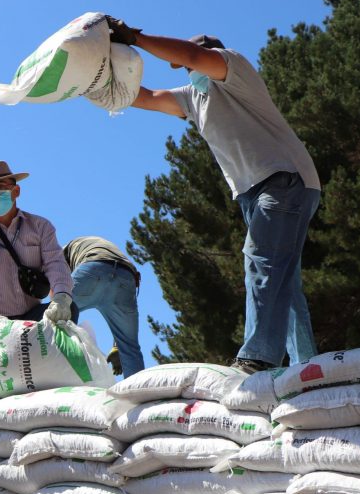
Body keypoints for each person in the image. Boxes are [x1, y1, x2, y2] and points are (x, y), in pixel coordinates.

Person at [94, 19, 322, 373]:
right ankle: (307, 366)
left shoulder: (235, 69)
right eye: (186, 68)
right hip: (253, 191)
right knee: (283, 280)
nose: (189, 69)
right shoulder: (193, 97)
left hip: (283, 179)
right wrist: (90, 80)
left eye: (193, 63)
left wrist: (135, 37)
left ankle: (258, 358)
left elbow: (191, 53)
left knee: (260, 261)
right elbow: (146, 97)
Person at [0, 161, 78, 364]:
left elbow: (55, 264)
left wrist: (61, 297)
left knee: (70, 311)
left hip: (29, 316)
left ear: (16, 191)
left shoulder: (41, 227)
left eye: (1, 187)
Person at [63, 236, 145, 378]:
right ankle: (141, 396)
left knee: (55, 324)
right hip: (125, 276)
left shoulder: (59, 252)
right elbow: (111, 278)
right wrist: (117, 345)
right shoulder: (97, 244)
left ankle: (57, 379)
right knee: (129, 347)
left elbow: (57, 283)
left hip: (91, 269)